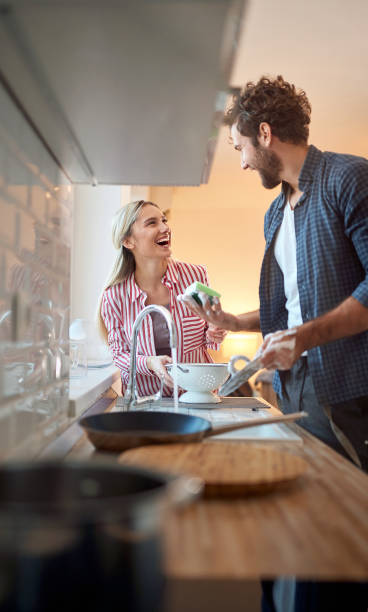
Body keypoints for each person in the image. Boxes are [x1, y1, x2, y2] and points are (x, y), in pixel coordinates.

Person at [179, 75, 368, 611]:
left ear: (264, 134)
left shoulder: (348, 180)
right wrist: (235, 319)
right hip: (296, 390)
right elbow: (293, 308)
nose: (240, 162)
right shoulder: (275, 213)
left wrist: (304, 338)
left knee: (343, 537)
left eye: (239, 147)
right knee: (308, 525)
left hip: (350, 391)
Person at [98, 199, 226, 397]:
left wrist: (215, 331)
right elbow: (120, 355)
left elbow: (208, 339)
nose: (165, 228)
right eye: (152, 223)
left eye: (164, 221)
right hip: (146, 401)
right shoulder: (114, 296)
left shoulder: (196, 276)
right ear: (128, 241)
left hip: (196, 395)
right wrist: (150, 362)